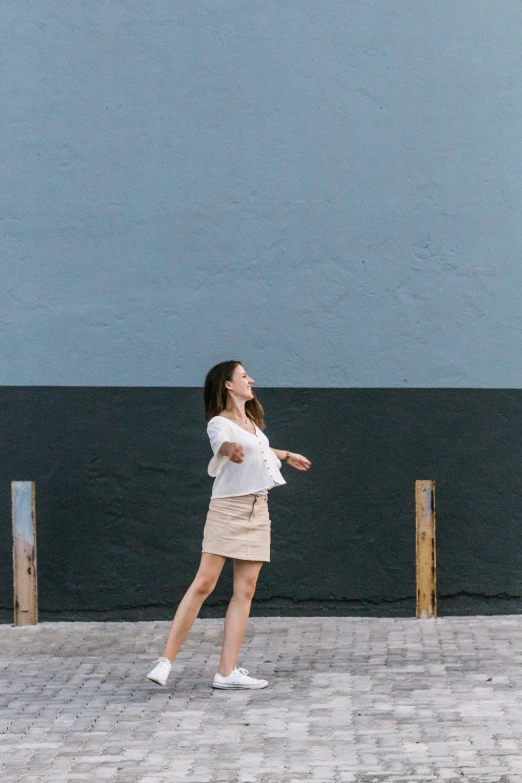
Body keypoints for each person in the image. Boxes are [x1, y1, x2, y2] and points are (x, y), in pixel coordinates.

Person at [146, 360, 311, 689]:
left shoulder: (250, 422)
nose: (252, 380)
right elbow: (220, 445)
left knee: (245, 591)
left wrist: (285, 455)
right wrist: (229, 449)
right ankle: (165, 661)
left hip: (258, 509)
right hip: (228, 508)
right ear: (228, 384)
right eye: (244, 376)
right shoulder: (218, 423)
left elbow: (259, 448)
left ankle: (226, 672)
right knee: (204, 583)